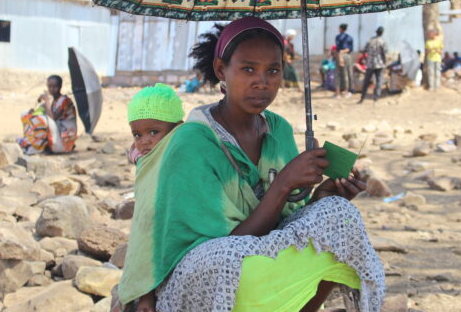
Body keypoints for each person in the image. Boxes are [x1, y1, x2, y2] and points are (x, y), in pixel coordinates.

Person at [117, 17, 385, 312]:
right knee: (236, 262)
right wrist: (283, 184)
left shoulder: (278, 129)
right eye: (248, 69)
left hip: (260, 255)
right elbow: (228, 244)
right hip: (206, 276)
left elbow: (285, 223)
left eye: (273, 70)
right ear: (222, 70)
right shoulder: (193, 141)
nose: (262, 82)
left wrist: (321, 198)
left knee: (338, 217)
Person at [17, 75, 77, 154]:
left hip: (64, 141)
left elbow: (53, 118)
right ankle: (31, 142)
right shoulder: (55, 101)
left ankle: (36, 146)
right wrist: (35, 109)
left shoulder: (64, 100)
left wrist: (47, 102)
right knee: (26, 114)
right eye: (49, 86)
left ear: (60, 87)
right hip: (58, 135)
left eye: (54, 86)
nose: (51, 89)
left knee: (42, 119)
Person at [126, 84, 184, 165]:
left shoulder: (184, 159)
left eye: (153, 132)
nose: (144, 142)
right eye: (137, 135)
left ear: (177, 128)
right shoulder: (139, 157)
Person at [359, 26, 388, 103]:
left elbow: (364, 51)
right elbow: (384, 53)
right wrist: (385, 63)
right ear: (382, 33)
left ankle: (362, 98)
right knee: (378, 82)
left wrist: (365, 60)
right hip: (379, 64)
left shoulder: (370, 41)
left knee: (366, 81)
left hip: (370, 64)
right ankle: (376, 99)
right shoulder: (382, 41)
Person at [335, 23, 354, 98]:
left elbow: (339, 49)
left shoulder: (338, 37)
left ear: (340, 28)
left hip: (341, 55)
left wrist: (340, 57)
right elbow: (349, 49)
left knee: (338, 74)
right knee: (348, 73)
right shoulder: (349, 37)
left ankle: (338, 93)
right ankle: (348, 91)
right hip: (348, 56)